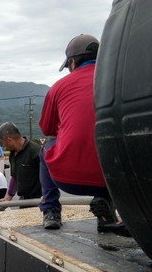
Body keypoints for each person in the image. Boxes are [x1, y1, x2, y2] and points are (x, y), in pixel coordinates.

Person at [38, 34, 128, 235]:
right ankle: (106, 210)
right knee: (113, 144)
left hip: (71, 180)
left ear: (71, 62)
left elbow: (47, 130)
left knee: (45, 148)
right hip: (119, 179)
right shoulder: (121, 79)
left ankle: (51, 211)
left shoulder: (59, 87)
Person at [0, 122, 43, 204]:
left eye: (3, 142)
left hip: (39, 200)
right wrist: (8, 197)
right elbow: (14, 177)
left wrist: (46, 194)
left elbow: (49, 174)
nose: (3, 145)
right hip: (24, 200)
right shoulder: (12, 155)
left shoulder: (34, 150)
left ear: (9, 140)